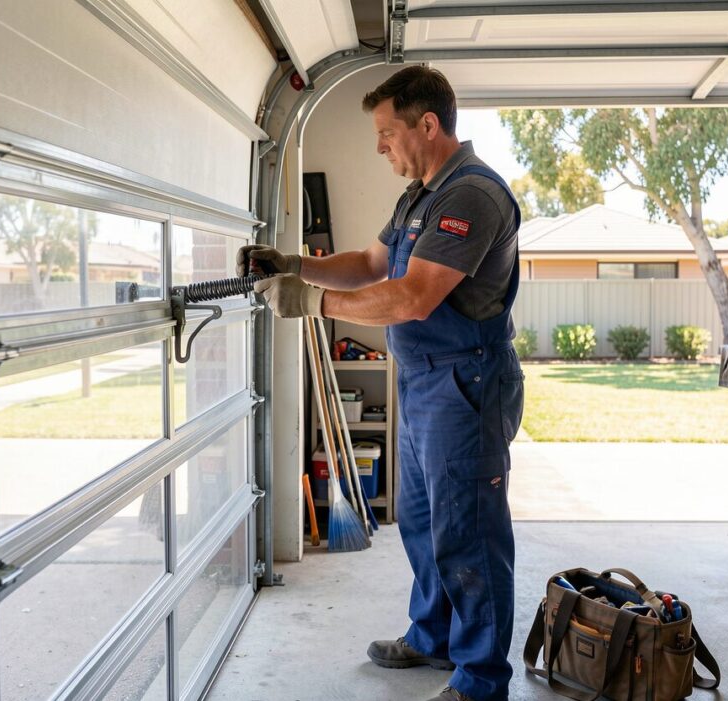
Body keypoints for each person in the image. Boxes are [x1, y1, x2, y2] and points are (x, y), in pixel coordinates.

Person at [238, 66, 523, 701]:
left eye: (386, 132)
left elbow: (415, 296)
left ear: (428, 124)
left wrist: (311, 303)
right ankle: (433, 636)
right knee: (423, 524)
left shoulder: (471, 194)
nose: (379, 146)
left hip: (466, 387)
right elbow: (371, 264)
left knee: (469, 533)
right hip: (424, 384)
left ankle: (480, 680)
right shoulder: (419, 196)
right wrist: (295, 264)